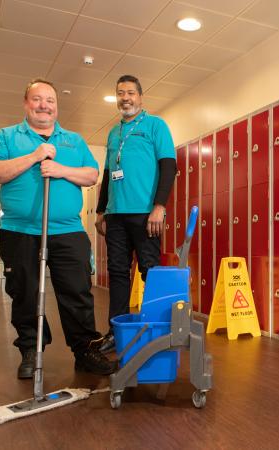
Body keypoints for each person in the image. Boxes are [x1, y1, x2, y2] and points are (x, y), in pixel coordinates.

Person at [0, 78, 113, 378]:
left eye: (50, 101)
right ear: (26, 103)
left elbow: (92, 175)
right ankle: (31, 349)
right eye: (37, 99)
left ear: (57, 106)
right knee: (25, 292)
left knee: (77, 291)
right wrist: (35, 156)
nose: (44, 105)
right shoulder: (7, 137)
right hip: (20, 230)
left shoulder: (74, 140)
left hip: (67, 230)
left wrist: (60, 170)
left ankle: (85, 350)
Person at [95, 75, 177, 353]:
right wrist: (100, 210)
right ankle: (115, 332)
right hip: (116, 214)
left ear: (141, 97)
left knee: (149, 271)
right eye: (120, 93)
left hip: (145, 214)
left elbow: (169, 166)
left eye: (130, 93)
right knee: (117, 272)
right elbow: (108, 173)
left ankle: (156, 332)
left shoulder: (156, 125)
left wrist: (160, 206)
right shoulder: (113, 133)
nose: (125, 98)